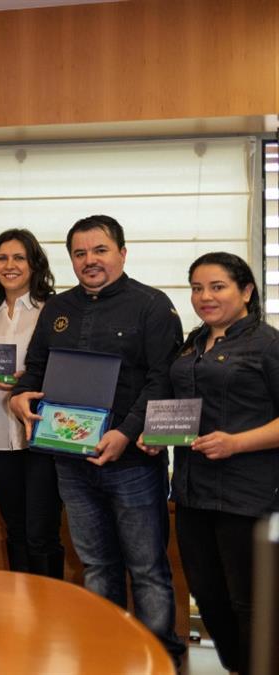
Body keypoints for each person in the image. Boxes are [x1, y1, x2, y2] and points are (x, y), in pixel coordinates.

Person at [9, 215, 186, 664]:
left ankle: (157, 658)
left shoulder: (152, 306)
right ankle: (106, 653)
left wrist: (125, 434)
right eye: (81, 253)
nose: (90, 261)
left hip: (133, 464)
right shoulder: (58, 308)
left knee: (147, 568)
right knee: (96, 564)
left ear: (122, 253)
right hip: (70, 461)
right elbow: (36, 368)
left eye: (100, 250)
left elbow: (163, 379)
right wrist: (18, 398)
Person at [139, 252, 279, 674]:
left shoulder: (268, 344)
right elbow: (181, 407)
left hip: (247, 495)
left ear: (246, 291)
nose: (205, 296)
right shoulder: (193, 342)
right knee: (208, 595)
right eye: (197, 288)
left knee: (249, 602)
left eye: (217, 287)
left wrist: (237, 443)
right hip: (192, 490)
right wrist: (155, 435)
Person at [0, 229, 62, 577]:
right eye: (2, 258)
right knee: (16, 528)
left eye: (19, 257)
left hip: (39, 435)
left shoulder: (53, 312)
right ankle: (19, 609)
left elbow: (62, 372)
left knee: (41, 533)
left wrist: (26, 380)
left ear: (35, 265)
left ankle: (48, 611)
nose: (10, 265)